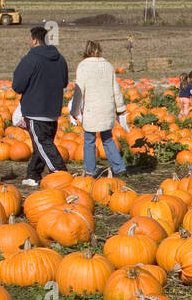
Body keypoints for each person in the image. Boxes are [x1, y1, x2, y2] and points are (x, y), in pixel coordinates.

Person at [11, 25, 68, 187]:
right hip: (53, 109)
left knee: (43, 144)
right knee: (41, 143)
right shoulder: (60, 59)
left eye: (29, 39)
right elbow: (64, 82)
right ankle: (33, 175)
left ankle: (61, 174)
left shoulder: (31, 59)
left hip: (36, 110)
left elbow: (18, 85)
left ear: (34, 40)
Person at [73, 40, 129, 177]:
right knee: (107, 138)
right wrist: (120, 107)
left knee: (89, 140)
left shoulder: (83, 67)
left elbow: (79, 90)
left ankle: (90, 170)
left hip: (92, 109)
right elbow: (115, 88)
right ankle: (120, 168)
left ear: (86, 51)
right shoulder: (108, 66)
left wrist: (75, 110)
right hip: (107, 108)